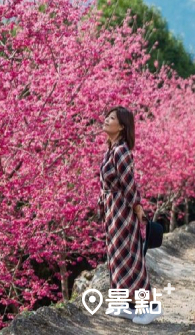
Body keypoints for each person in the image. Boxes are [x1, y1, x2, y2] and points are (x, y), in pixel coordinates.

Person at [100, 106, 160, 325]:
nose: (106, 120)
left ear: (122, 126)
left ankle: (151, 306)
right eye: (107, 116)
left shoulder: (121, 151)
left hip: (123, 213)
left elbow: (129, 184)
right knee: (117, 258)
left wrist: (138, 209)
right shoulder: (111, 149)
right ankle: (125, 305)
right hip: (113, 213)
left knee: (131, 261)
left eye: (111, 118)